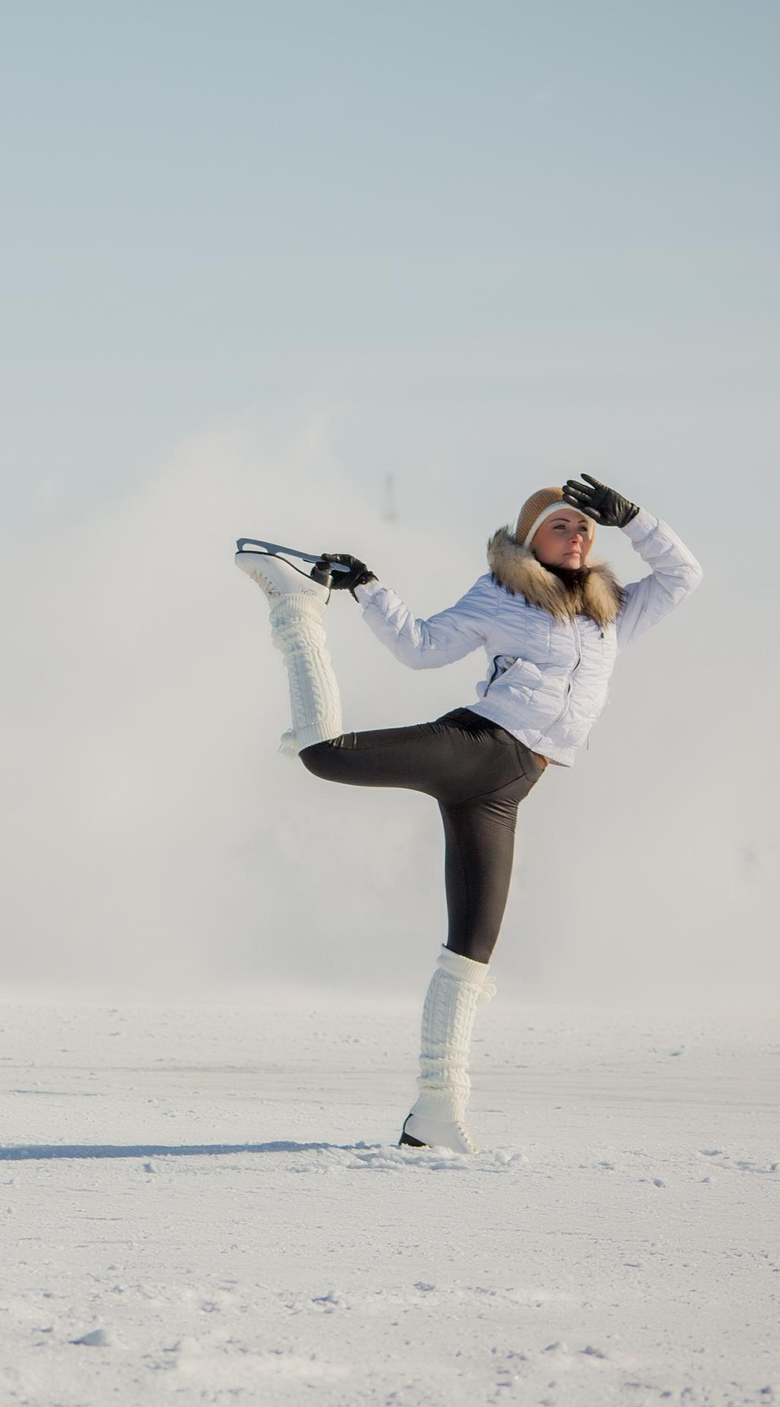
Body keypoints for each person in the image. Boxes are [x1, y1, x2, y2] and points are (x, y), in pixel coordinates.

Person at [234, 474, 701, 1152]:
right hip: (479, 747)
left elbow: (684, 575)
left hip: (507, 789)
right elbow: (420, 647)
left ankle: (435, 1114)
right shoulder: (501, 594)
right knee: (324, 753)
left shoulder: (612, 612)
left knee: (470, 954)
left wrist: (633, 519)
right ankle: (297, 607)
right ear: (530, 537)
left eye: (586, 528)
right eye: (562, 525)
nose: (577, 535)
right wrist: (368, 588)